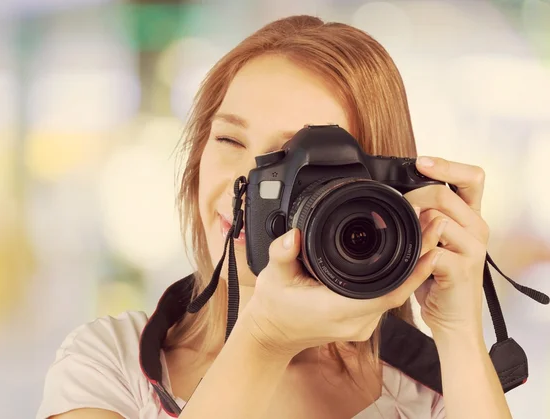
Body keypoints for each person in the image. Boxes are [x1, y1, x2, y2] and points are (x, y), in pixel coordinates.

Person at [37, 15, 513, 419]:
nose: (245, 185)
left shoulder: (430, 391)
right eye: (229, 140)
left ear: (378, 195)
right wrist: (263, 340)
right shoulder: (106, 363)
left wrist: (457, 333)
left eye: (291, 162)